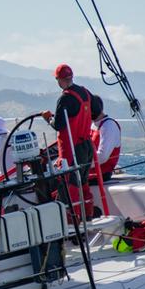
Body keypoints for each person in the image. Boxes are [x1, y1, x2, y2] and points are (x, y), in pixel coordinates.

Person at [40, 64, 94, 219]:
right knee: (83, 183)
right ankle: (88, 215)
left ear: (59, 80)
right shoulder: (85, 92)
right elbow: (96, 109)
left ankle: (73, 221)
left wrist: (48, 118)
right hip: (87, 146)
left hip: (72, 148)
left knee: (70, 185)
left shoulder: (65, 98)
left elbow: (58, 125)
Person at [90, 95, 121, 182]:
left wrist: (80, 165)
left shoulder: (108, 126)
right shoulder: (93, 125)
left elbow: (102, 156)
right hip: (89, 172)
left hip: (101, 174)